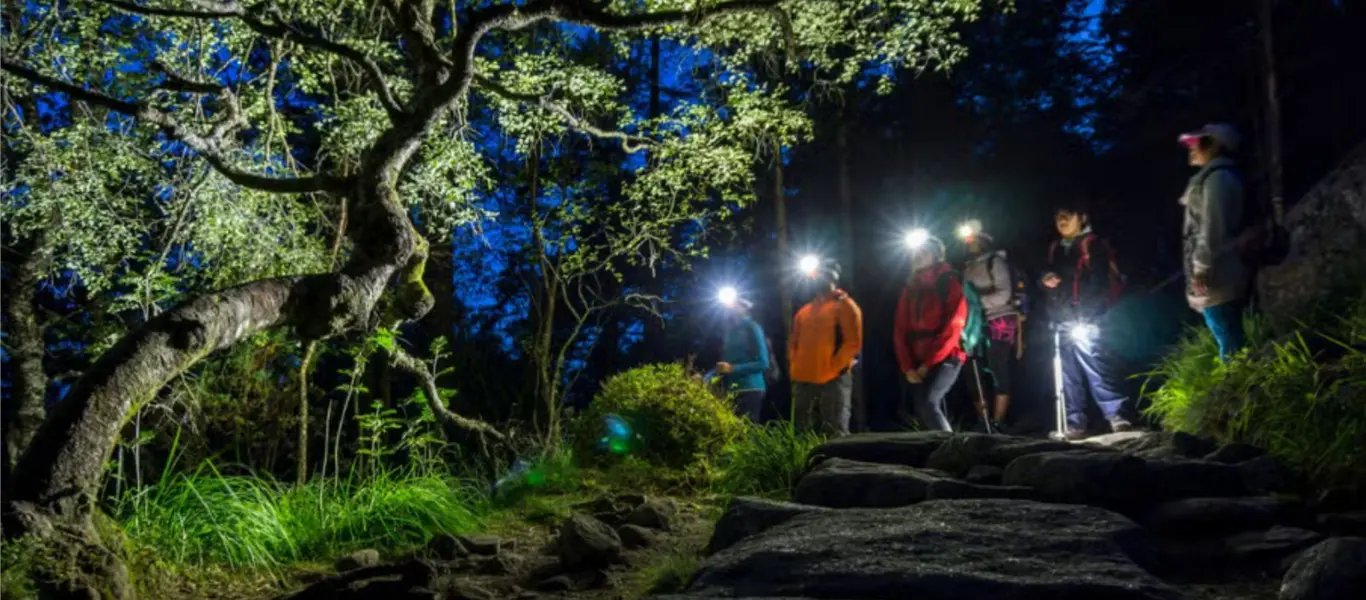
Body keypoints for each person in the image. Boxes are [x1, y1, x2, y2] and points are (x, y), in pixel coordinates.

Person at [1041, 201, 1134, 438]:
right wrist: (1045, 277)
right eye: (1058, 217)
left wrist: (1089, 314)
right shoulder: (1056, 248)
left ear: (1081, 217)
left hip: (1086, 318)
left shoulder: (1092, 244)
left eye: (1067, 216)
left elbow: (1099, 283)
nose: (1061, 221)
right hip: (1061, 318)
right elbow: (1046, 275)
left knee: (1096, 366)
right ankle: (1075, 423)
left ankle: (1116, 415)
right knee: (1067, 373)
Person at [1179, 123, 1249, 362]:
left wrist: (1201, 268)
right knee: (1226, 333)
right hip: (1217, 271)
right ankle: (1239, 384)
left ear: (1215, 145)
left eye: (1197, 143)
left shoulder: (1217, 179)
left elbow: (1212, 228)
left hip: (1219, 273)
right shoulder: (1213, 178)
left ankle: (1239, 386)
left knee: (1228, 337)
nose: (1191, 148)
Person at [893, 235, 967, 432]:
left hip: (947, 356)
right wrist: (908, 367)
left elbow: (954, 326)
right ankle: (939, 453)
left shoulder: (948, 281)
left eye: (924, 251)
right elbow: (900, 329)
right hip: (917, 360)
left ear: (936, 256)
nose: (918, 255)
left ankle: (953, 453)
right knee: (923, 407)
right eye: (915, 252)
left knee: (928, 402)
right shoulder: (910, 288)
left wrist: (928, 364)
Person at [789, 259, 863, 436]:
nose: (818, 277)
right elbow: (794, 343)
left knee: (835, 431)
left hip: (833, 380)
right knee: (801, 432)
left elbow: (853, 342)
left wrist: (834, 367)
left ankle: (842, 464)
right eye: (816, 273)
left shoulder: (845, 305)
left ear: (833, 276)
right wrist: (796, 368)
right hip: (804, 381)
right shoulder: (804, 311)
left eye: (823, 273)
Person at [960, 224, 1021, 432]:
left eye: (974, 240)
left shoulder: (996, 262)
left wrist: (977, 302)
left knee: (999, 367)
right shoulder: (967, 267)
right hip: (974, 324)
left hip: (1000, 319)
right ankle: (983, 420)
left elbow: (1003, 293)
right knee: (973, 368)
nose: (971, 244)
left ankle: (998, 420)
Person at [716, 296, 771, 421]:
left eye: (735, 304)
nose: (731, 307)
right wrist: (706, 378)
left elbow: (763, 363)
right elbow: (725, 365)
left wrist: (733, 369)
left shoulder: (752, 327)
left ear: (745, 307)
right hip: (732, 390)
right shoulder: (730, 331)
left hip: (750, 388)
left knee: (748, 432)